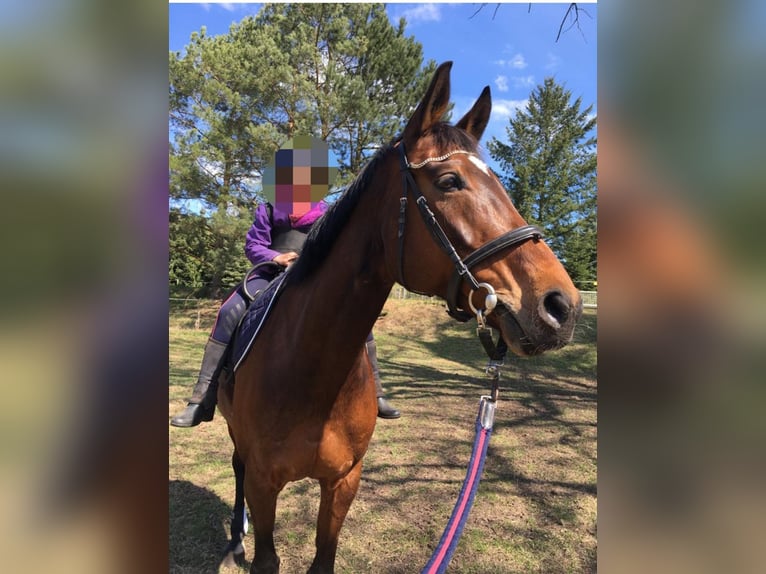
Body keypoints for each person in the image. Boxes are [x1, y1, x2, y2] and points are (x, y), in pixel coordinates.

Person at [170, 201, 400, 427]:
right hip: (270, 272)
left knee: (357, 315)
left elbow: (338, 247)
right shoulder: (269, 209)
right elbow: (253, 244)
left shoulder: (328, 212)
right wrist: (275, 257)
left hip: (314, 274)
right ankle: (202, 397)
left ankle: (376, 393)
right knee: (229, 309)